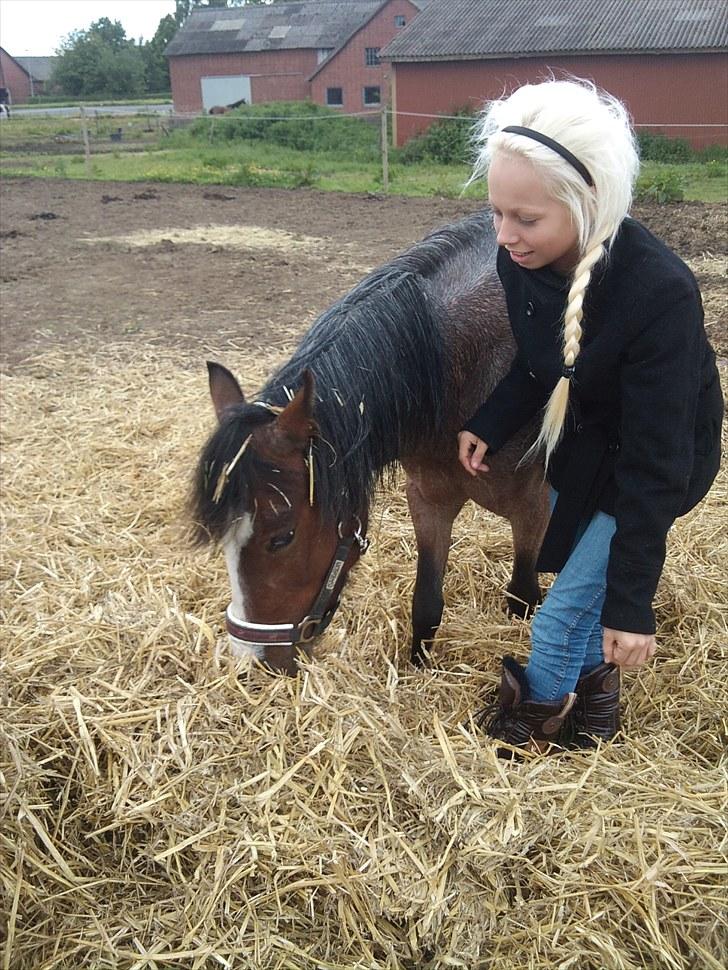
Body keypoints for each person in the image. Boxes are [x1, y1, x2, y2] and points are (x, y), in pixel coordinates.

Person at [458, 78, 723, 753]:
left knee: (560, 618)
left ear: (589, 202)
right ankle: (594, 716)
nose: (505, 235)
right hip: (579, 448)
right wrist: (488, 422)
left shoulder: (658, 292)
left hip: (650, 467)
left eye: (526, 218)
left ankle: (529, 735)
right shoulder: (521, 261)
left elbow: (656, 464)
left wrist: (632, 607)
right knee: (573, 596)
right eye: (497, 212)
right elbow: (538, 364)